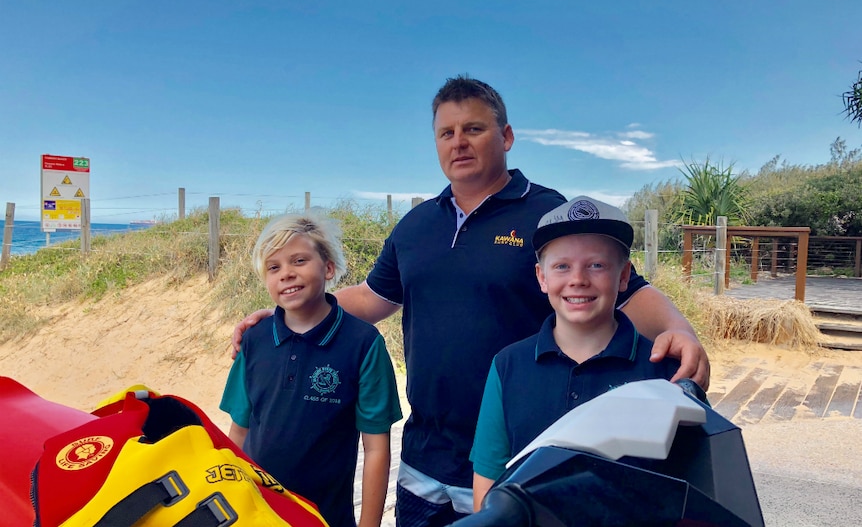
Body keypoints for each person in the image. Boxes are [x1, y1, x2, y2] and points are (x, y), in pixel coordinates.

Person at [233, 76, 710, 527]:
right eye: (447, 133)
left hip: (518, 457)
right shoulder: (417, 225)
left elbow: (626, 288)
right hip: (424, 460)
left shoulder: (545, 212)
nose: (458, 142)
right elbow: (373, 298)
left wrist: (682, 334)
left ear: (505, 136)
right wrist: (292, 309)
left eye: (473, 129)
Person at [470, 196, 682, 509]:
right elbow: (487, 480)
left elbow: (694, 487)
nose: (578, 280)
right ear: (542, 278)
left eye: (596, 265)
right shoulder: (507, 366)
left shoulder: (664, 371)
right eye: (562, 266)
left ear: (624, 276)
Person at [220, 213, 402, 527]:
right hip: (255, 512)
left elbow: (375, 447)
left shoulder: (363, 343)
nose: (286, 274)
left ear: (328, 267)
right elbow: (238, 431)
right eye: (274, 267)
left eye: (299, 260)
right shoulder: (254, 340)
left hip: (325, 517)